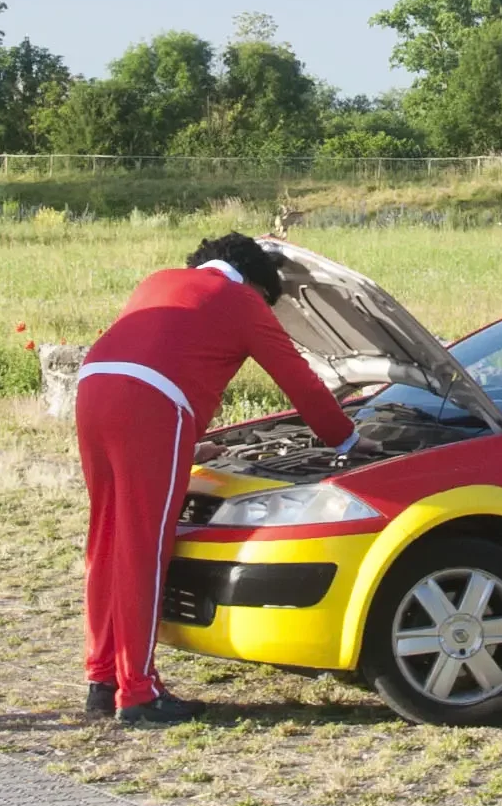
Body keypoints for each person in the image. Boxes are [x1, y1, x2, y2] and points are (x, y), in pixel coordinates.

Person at [77, 232, 378, 725]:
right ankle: (138, 693)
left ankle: (101, 676)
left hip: (94, 390)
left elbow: (160, 350)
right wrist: (344, 439)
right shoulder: (241, 300)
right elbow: (298, 378)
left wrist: (184, 447)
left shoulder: (159, 281)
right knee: (144, 548)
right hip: (154, 404)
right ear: (258, 285)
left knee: (106, 537)